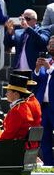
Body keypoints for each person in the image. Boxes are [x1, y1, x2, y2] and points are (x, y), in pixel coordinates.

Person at [0, 74, 40, 141]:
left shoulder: (17, 110)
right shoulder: (23, 106)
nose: (6, 94)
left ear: (16, 94)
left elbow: (9, 134)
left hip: (15, 147)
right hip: (20, 145)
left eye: (8, 92)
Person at [33, 36, 54, 165]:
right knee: (44, 139)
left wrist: (49, 68)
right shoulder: (47, 62)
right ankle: (49, 167)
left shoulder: (49, 65)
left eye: (53, 44)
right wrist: (36, 69)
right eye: (49, 44)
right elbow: (37, 80)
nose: (51, 46)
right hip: (44, 107)